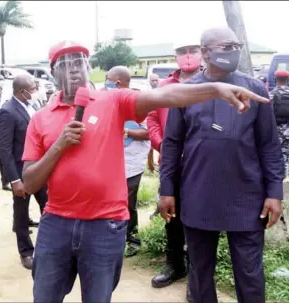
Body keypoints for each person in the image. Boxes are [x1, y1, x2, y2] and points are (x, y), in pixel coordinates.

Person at [20, 40, 268, 303]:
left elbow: (166, 96)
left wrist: (215, 89)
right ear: (53, 72)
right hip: (56, 223)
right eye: (65, 64)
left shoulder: (112, 100)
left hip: (105, 226)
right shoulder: (39, 119)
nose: (74, 70)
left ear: (89, 67)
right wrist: (59, 145)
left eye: (80, 62)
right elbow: (30, 183)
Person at [159, 27, 284, 303]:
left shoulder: (253, 89)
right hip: (198, 194)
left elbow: (269, 145)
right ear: (205, 52)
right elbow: (172, 145)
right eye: (224, 47)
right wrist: (166, 190)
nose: (232, 52)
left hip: (247, 197)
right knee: (200, 272)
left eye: (235, 46)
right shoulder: (186, 93)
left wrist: (274, 192)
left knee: (250, 274)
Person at [147, 40, 203, 298]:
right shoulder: (164, 87)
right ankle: (174, 265)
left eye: (193, 51)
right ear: (175, 56)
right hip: (170, 163)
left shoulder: (209, 84)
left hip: (200, 165)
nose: (188, 56)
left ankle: (197, 273)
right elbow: (151, 118)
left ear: (202, 53)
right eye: (182, 52)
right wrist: (162, 145)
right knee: (170, 214)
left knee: (200, 219)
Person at [0, 74, 48, 270]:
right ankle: (26, 252)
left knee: (49, 208)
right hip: (20, 171)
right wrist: (14, 180)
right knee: (21, 214)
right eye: (33, 88)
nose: (35, 91)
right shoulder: (7, 112)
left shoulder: (31, 106)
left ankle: (50, 247)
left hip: (38, 167)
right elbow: (5, 149)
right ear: (21, 91)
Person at [106, 66, 151, 257]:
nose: (105, 83)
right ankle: (113, 238)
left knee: (128, 202)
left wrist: (126, 132)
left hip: (132, 164)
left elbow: (148, 132)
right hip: (112, 162)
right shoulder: (107, 101)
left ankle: (132, 239)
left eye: (107, 79)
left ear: (117, 82)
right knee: (111, 201)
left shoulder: (138, 102)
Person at [269, 70, 289, 176]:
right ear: (287, 80)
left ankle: (279, 175)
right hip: (287, 131)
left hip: (276, 131)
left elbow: (266, 115)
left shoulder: (270, 95)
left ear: (275, 79)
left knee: (276, 154)